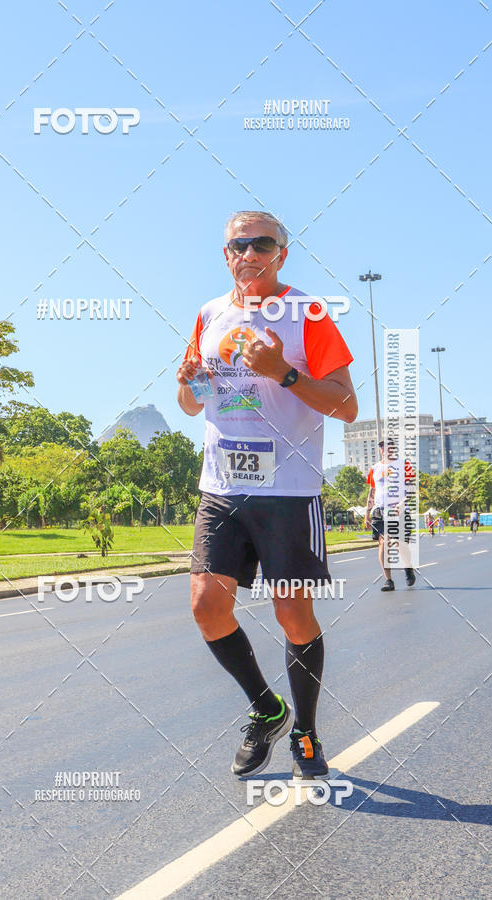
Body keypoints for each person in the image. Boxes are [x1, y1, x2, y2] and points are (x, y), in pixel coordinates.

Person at [176, 210, 357, 779]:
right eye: (237, 244)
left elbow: (346, 406)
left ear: (282, 253)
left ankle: (304, 729)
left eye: (261, 244)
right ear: (224, 252)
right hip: (222, 485)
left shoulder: (309, 314)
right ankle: (266, 708)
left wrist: (284, 372)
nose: (248, 253)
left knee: (292, 613)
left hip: (289, 489)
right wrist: (187, 383)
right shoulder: (209, 315)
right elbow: (191, 403)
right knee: (207, 607)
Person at [365, 440, 416, 592]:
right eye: (382, 447)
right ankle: (388, 580)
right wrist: (367, 513)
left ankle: (408, 567)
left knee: (399, 543)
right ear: (380, 450)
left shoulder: (403, 465)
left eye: (389, 447)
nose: (385, 449)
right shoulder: (375, 468)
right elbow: (372, 491)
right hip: (380, 511)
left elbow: (412, 488)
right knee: (383, 543)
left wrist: (402, 503)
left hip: (398, 510)